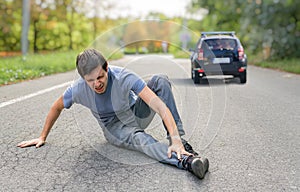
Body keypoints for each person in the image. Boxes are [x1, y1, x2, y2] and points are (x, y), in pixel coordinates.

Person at [17, 49, 209, 179]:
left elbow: (159, 105)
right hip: (115, 129)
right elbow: (56, 107)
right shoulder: (77, 90)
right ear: (83, 78)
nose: (97, 83)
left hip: (135, 113)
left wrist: (175, 138)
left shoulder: (124, 77)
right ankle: (186, 161)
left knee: (160, 80)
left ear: (107, 68)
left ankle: (180, 145)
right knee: (142, 140)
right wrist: (42, 136)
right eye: (90, 80)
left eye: (100, 76)